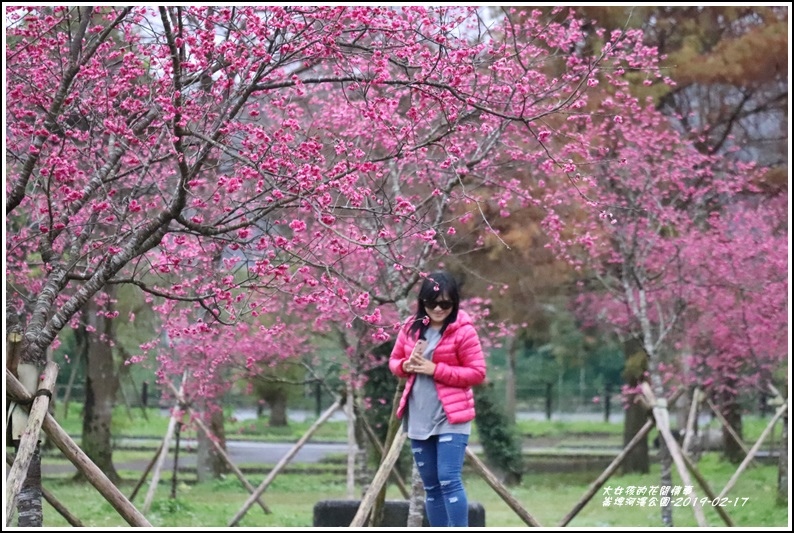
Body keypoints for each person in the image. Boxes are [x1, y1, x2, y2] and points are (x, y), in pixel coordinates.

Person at [388, 270, 486, 527]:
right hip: (419, 414)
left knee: (448, 479)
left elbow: (477, 372)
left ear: (454, 302)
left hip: (451, 416)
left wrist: (436, 370)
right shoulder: (410, 328)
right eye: (432, 303)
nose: (439, 308)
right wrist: (406, 366)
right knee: (431, 485)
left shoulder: (463, 331)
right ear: (422, 302)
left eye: (446, 303)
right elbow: (394, 361)